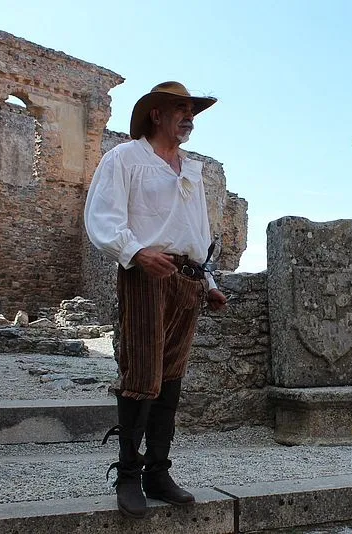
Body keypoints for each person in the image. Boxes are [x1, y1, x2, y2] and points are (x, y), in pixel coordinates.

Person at [84, 81, 228, 519]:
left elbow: (195, 232)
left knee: (171, 378)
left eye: (191, 111)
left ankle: (157, 472)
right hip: (145, 275)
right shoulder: (125, 158)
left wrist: (209, 278)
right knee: (141, 375)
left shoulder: (190, 169)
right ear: (156, 115)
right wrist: (136, 253)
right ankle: (128, 474)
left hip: (186, 281)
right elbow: (102, 218)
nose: (188, 118)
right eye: (179, 109)